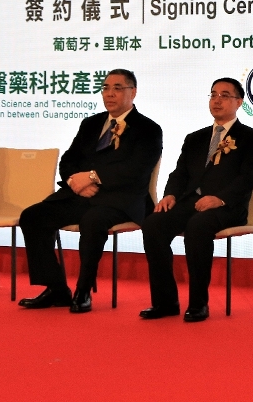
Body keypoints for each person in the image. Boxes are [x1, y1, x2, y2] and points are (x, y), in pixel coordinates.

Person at [18, 70, 162, 314]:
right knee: (33, 216)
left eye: (117, 88)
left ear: (133, 92)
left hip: (121, 200)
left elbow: (135, 170)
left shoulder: (148, 129)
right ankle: (56, 288)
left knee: (92, 221)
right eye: (105, 88)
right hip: (81, 195)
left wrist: (93, 177)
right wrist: (74, 181)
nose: (110, 94)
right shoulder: (91, 123)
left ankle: (83, 291)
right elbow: (69, 160)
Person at [139, 78, 253, 322]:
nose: (217, 100)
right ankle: (165, 302)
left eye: (225, 95)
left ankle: (198, 304)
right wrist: (170, 194)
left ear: (239, 102)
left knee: (197, 226)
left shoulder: (251, 138)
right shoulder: (194, 138)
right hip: (190, 202)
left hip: (227, 207)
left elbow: (248, 178)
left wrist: (220, 199)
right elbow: (180, 173)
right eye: (213, 95)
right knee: (153, 224)